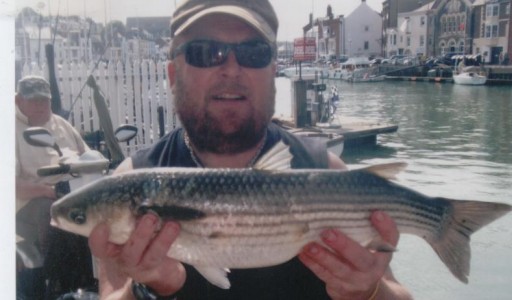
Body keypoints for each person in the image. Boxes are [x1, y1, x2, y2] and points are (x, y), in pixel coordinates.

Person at [88, 1, 413, 299]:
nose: (231, 69)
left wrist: (368, 291)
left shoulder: (327, 173)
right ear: (173, 75)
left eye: (254, 52)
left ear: (272, 72)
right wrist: (149, 289)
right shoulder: (130, 185)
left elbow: (398, 293)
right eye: (205, 52)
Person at [15, 75, 91, 298]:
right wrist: (47, 191)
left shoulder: (61, 124)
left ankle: (94, 279)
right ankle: (56, 284)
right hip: (29, 200)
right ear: (19, 101)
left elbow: (88, 155)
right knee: (54, 215)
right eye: (34, 101)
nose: (41, 106)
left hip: (70, 190)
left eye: (45, 100)